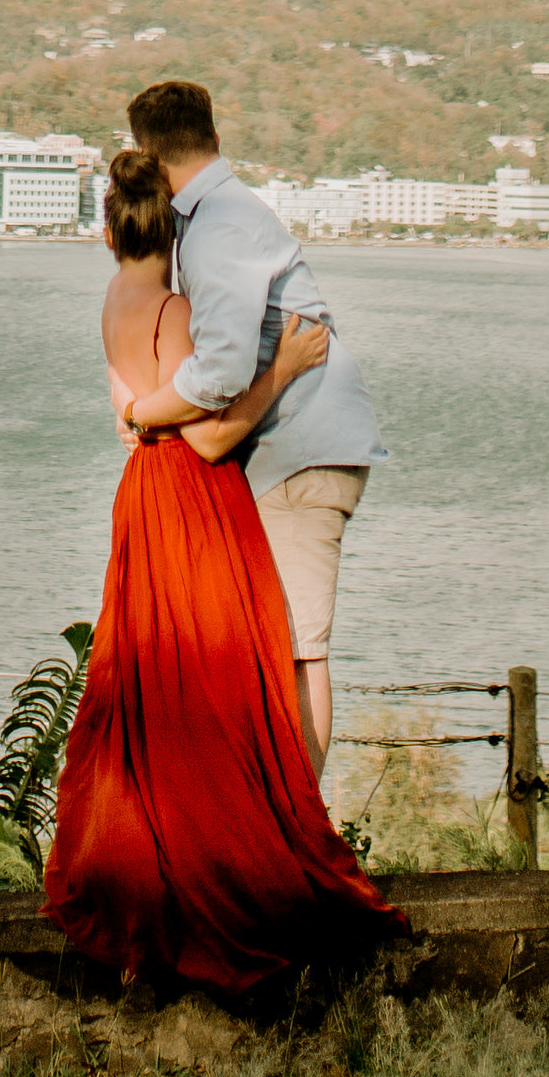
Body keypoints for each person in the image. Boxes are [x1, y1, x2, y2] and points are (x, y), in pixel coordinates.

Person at [43, 145, 403, 998]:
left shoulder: (111, 305)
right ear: (173, 226)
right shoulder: (174, 308)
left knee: (151, 680)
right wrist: (280, 369)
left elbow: (131, 419)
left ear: (106, 233)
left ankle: (166, 849)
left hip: (141, 495)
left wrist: (144, 411)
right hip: (191, 500)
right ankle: (246, 857)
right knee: (219, 680)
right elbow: (208, 434)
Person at [110, 78, 383, 776]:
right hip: (298, 446)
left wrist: (145, 410)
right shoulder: (221, 218)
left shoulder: (218, 229)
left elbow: (222, 372)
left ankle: (304, 832)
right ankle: (293, 823)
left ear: (148, 153)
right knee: (282, 645)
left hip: (301, 452)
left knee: (297, 649)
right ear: (214, 139)